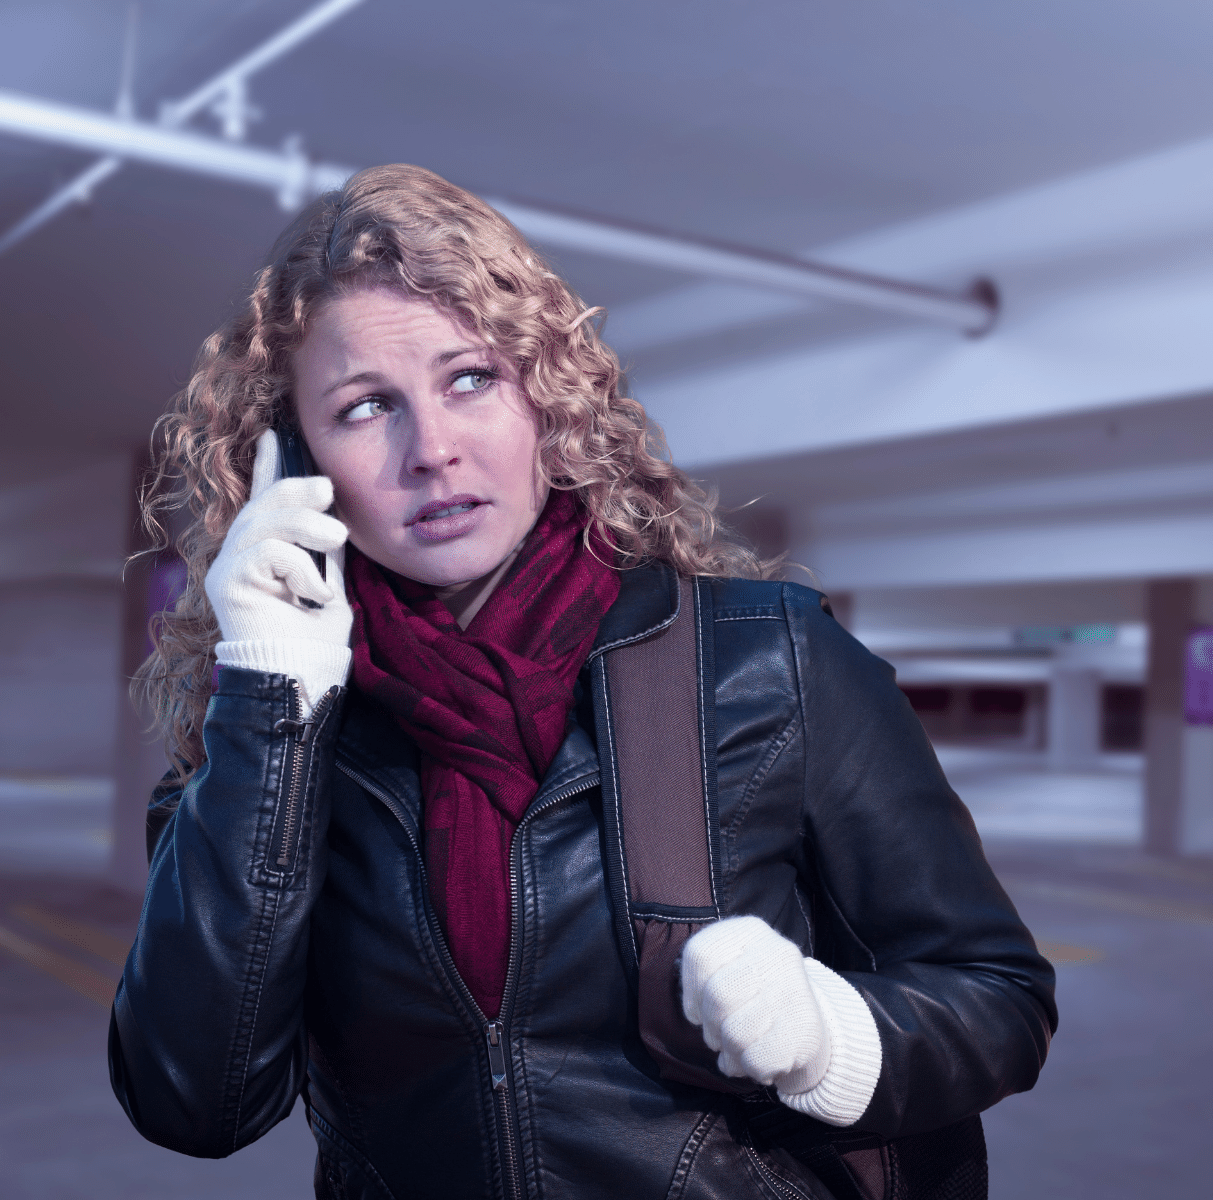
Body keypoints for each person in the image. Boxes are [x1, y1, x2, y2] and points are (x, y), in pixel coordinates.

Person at [109, 164, 1055, 1200]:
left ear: (543, 393)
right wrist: (269, 705)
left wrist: (833, 1042)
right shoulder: (266, 728)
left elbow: (998, 998)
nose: (433, 449)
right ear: (292, 463)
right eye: (366, 405)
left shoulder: (766, 663)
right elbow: (192, 1104)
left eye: (469, 379)